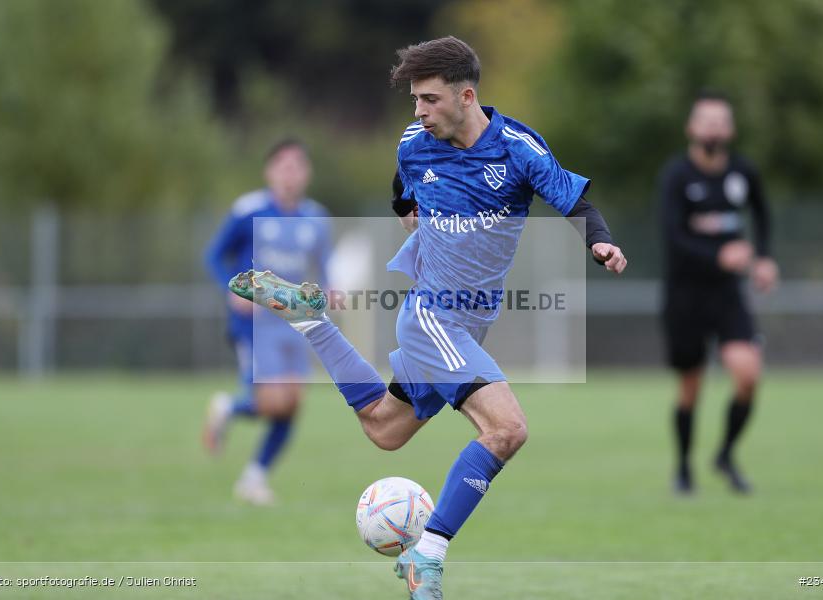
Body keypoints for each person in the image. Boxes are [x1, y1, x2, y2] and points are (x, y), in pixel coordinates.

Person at [230, 37, 626, 599]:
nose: (418, 111)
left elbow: (573, 200)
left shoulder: (516, 148)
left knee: (385, 428)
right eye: (414, 99)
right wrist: (407, 214)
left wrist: (600, 245)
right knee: (507, 429)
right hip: (430, 317)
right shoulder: (415, 142)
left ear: (467, 96)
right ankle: (428, 556)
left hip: (469, 324)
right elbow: (401, 186)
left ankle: (308, 320)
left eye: (429, 99)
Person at [659, 91, 779, 496]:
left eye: (720, 121)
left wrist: (763, 258)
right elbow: (674, 237)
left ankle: (725, 454)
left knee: (747, 374)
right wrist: (720, 255)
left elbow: (762, 214)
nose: (713, 127)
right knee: (690, 387)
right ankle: (683, 468)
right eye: (705, 120)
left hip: (728, 295)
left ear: (730, 129)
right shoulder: (677, 176)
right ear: (691, 128)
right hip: (686, 296)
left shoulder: (743, 172)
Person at [203, 139, 332, 505]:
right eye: (283, 166)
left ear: (306, 173)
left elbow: (324, 268)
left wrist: (331, 290)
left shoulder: (316, 218)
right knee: (273, 399)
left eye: (297, 166)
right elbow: (214, 255)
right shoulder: (249, 210)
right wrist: (232, 290)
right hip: (255, 323)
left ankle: (253, 477)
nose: (290, 174)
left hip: (293, 322)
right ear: (270, 172)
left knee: (292, 403)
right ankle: (230, 409)